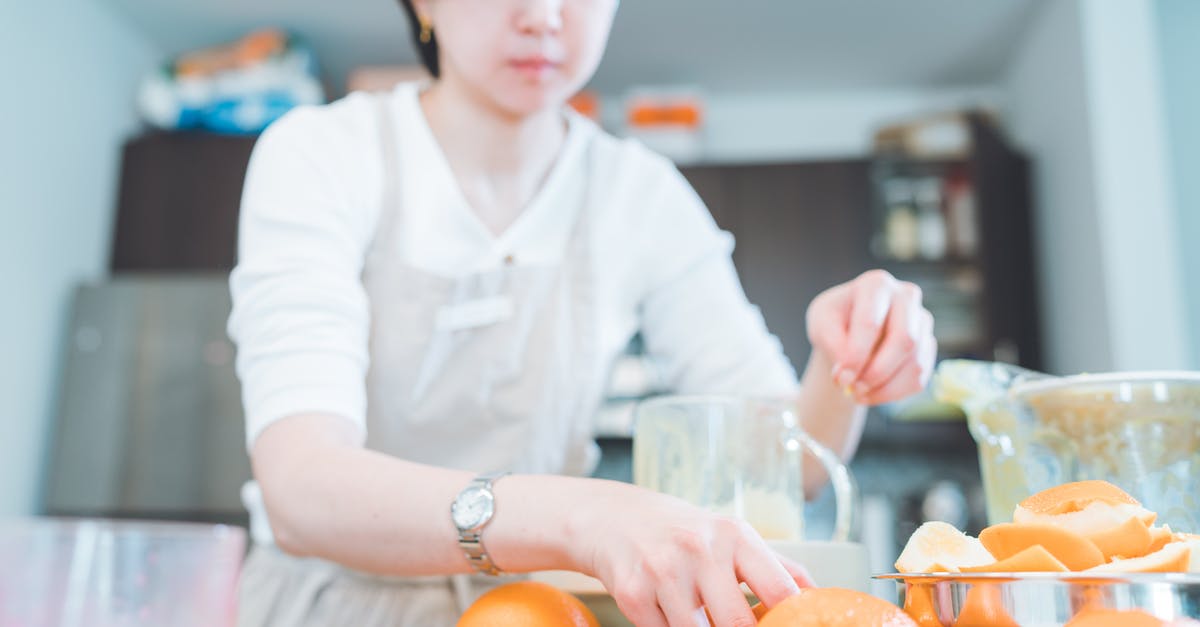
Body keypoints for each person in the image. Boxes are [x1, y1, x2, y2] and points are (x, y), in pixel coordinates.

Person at [228, 0, 937, 625]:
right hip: (327, 604)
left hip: (537, 611)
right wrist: (586, 514)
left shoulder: (641, 194)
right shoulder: (324, 154)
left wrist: (847, 357)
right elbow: (301, 486)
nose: (544, 14)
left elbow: (789, 464)